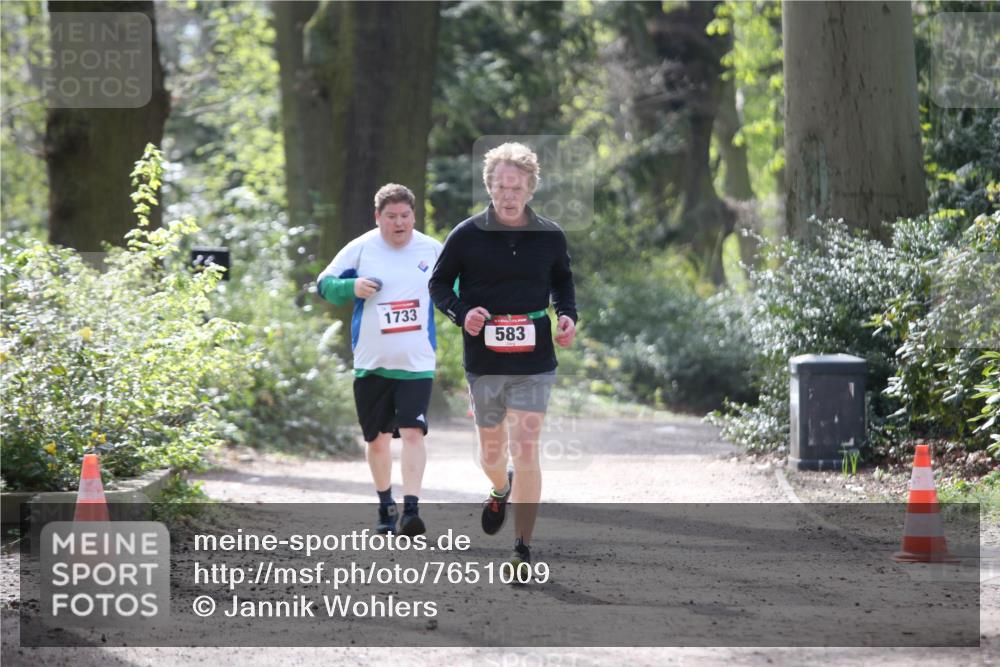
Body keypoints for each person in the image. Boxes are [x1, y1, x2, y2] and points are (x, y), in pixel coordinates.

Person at [429, 142, 577, 569]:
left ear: (530, 187)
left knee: (526, 446)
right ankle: (499, 488)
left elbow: (563, 283)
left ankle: (522, 548)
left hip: (535, 358)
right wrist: (462, 312)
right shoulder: (466, 235)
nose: (508, 195)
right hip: (485, 359)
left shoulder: (550, 235)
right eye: (500, 186)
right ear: (488, 186)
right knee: (492, 455)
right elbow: (438, 285)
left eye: (516, 186)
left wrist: (567, 316)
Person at [317, 183, 442, 536]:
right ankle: (386, 504)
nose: (399, 223)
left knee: (414, 432)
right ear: (378, 217)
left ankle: (412, 510)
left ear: (414, 215)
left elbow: (459, 290)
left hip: (417, 361)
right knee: (377, 440)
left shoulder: (432, 250)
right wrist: (351, 288)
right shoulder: (361, 248)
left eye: (405, 216)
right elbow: (323, 284)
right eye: (391, 217)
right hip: (371, 363)